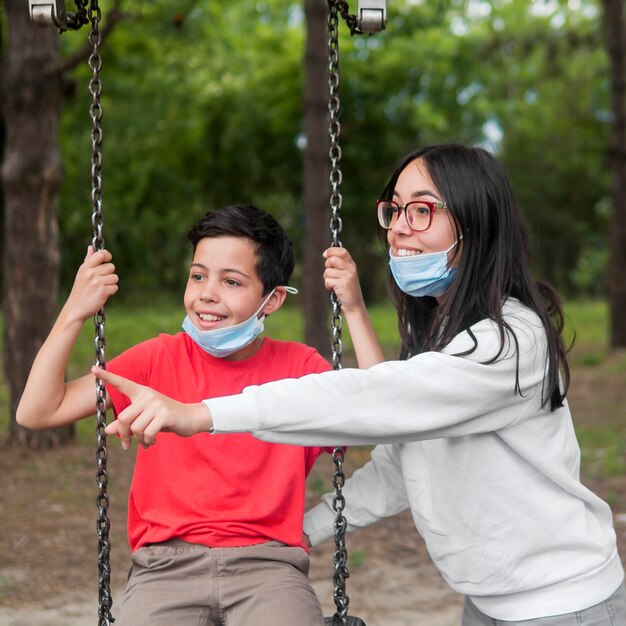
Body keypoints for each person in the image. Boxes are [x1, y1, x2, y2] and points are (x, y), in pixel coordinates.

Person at [96, 144, 625, 625]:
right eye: (394, 209)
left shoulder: (510, 343)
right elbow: (405, 465)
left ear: (476, 224)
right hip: (489, 604)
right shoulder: (444, 335)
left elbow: (374, 397)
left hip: (564, 605)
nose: (398, 226)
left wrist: (200, 414)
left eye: (422, 210)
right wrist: (311, 524)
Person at [16, 204, 334, 626]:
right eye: (198, 275)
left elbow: (379, 416)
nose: (206, 293)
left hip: (269, 566)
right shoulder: (156, 360)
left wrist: (354, 307)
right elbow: (38, 411)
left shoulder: (301, 369)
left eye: (232, 281)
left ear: (272, 299)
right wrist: (74, 310)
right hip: (165, 567)